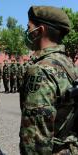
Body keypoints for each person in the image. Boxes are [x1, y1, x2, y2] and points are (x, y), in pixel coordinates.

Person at [20, 6, 78, 154]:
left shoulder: (41, 70)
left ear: (40, 31)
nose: (27, 32)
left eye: (29, 27)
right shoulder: (69, 64)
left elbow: (35, 141)